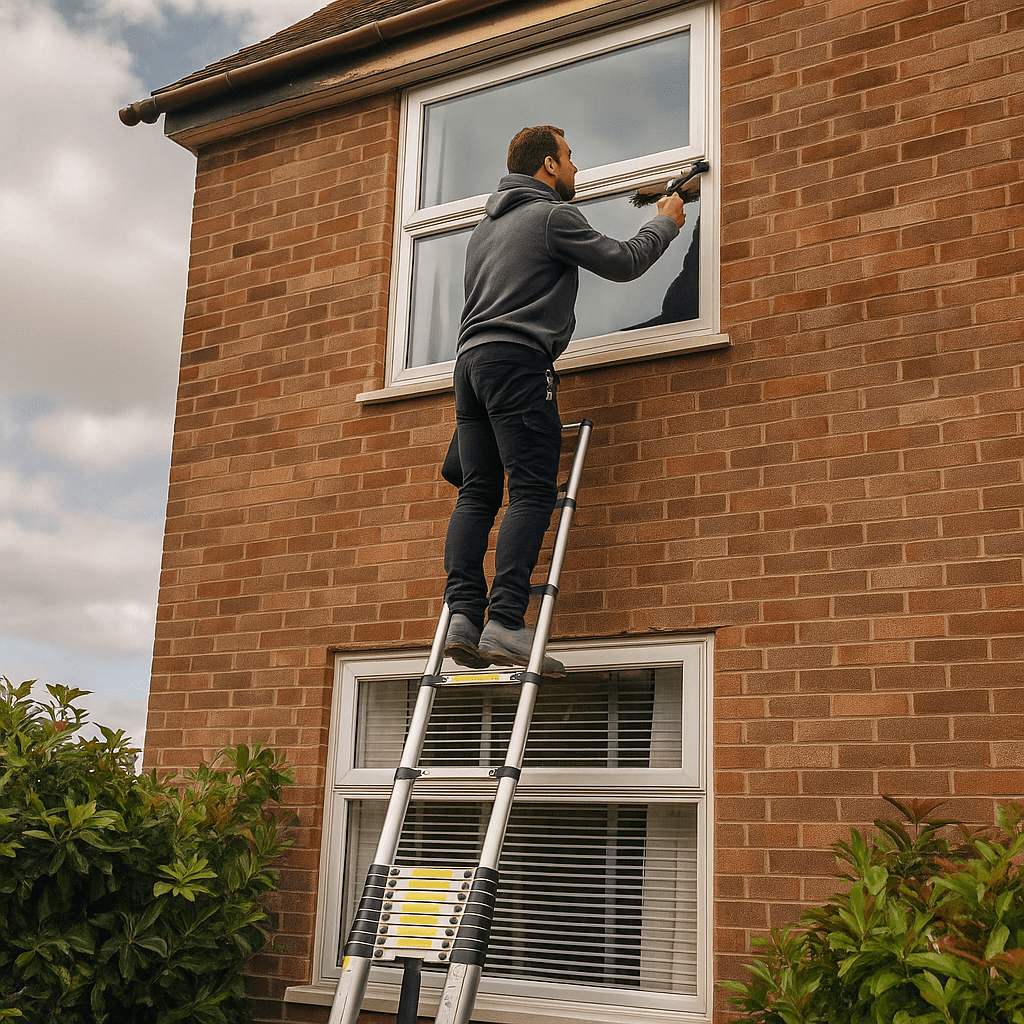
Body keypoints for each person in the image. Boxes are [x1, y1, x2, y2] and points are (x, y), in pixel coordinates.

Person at [443, 125, 687, 675]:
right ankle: (505, 623)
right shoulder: (552, 215)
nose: (577, 170)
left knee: (479, 493)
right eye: (571, 159)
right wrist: (665, 223)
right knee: (530, 490)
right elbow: (623, 262)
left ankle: (463, 616)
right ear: (549, 166)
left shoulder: (485, 230)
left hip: (469, 366)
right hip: (516, 362)